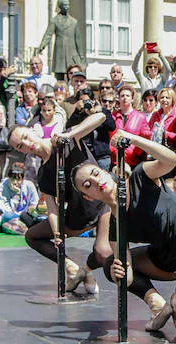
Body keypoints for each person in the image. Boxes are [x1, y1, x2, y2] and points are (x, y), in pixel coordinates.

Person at [72, 128, 176, 341]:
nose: (96, 182)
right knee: (110, 265)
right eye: (87, 184)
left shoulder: (141, 177)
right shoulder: (115, 226)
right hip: (164, 258)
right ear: (88, 197)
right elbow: (128, 275)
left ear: (106, 172)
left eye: (96, 173)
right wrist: (122, 271)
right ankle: (156, 304)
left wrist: (133, 139)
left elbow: (170, 161)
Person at [11, 113, 110, 295]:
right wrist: (58, 234)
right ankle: (72, 266)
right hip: (78, 217)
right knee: (32, 236)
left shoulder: (66, 140)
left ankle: (85, 271)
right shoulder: (43, 173)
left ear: (33, 131)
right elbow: (52, 207)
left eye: (25, 137)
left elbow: (101, 117)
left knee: (102, 254)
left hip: (103, 205)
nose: (26, 144)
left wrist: (71, 134)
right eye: (20, 145)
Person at [36, 0, 85, 79]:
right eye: (65, 5)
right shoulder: (55, 20)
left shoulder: (74, 21)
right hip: (60, 52)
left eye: (68, 5)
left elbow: (78, 39)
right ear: (60, 6)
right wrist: (42, 46)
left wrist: (81, 54)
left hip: (72, 52)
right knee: (59, 76)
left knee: (73, 73)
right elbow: (48, 34)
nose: (67, 7)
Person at [148, 88, 176, 168]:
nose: (164, 100)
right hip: (155, 152)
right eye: (162, 97)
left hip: (171, 154)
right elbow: (149, 130)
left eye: (167, 98)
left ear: (173, 100)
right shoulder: (155, 115)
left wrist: (165, 133)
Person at [0, 162, 39, 235]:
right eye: (13, 179)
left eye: (18, 179)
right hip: (10, 216)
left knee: (29, 217)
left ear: (23, 179)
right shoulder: (2, 186)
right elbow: (3, 207)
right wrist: (15, 195)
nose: (15, 182)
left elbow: (34, 203)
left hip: (25, 215)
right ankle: (20, 227)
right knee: (5, 217)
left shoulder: (29, 185)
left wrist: (19, 194)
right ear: (9, 177)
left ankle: (17, 227)